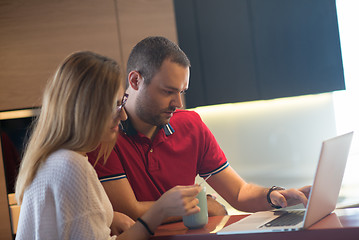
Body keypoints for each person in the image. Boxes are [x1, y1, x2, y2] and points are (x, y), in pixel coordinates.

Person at [87, 36, 311, 222]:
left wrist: (275, 196)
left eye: (181, 92)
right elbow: (131, 212)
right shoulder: (106, 136)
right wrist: (202, 205)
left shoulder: (191, 125)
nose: (178, 104)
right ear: (135, 81)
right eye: (168, 92)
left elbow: (239, 193)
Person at [15, 51, 202, 240]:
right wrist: (160, 210)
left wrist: (108, 218)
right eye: (115, 105)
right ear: (86, 108)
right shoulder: (73, 166)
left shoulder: (50, 159)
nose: (123, 116)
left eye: (122, 104)